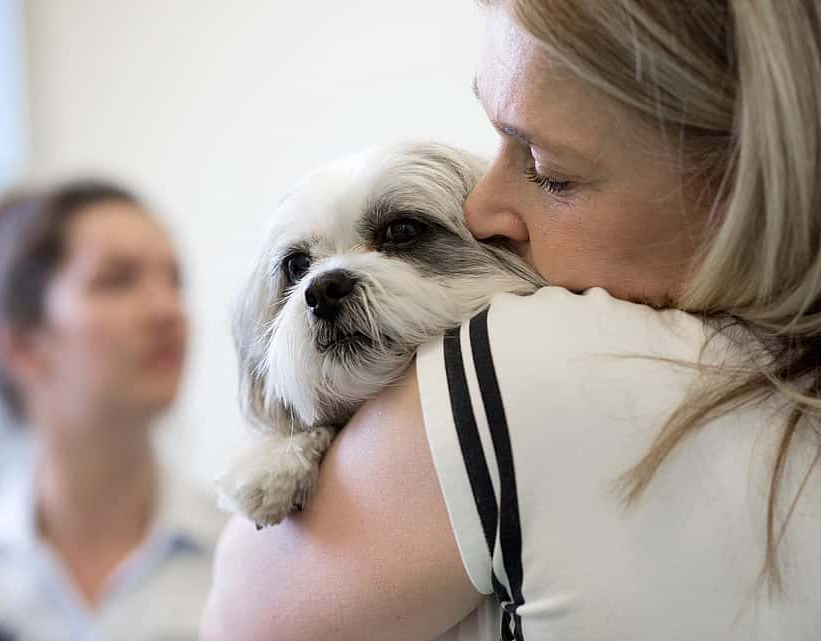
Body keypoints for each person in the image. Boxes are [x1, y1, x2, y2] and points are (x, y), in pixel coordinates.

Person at [201, 1, 821, 640]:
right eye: (296, 267)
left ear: (740, 184)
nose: (485, 208)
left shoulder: (538, 362)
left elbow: (242, 619)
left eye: (548, 169)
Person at [0, 180, 225, 641]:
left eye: (174, 281)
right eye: (117, 280)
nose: (169, 310)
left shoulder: (241, 558)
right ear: (23, 346)